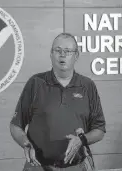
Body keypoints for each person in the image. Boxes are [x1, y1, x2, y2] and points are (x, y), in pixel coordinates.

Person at [10, 33, 106, 171]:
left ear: (76, 56)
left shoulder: (87, 86)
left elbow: (99, 130)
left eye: (67, 51)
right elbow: (15, 125)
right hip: (37, 167)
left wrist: (81, 140)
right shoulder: (36, 83)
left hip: (76, 167)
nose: (62, 55)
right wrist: (26, 144)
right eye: (58, 50)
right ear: (51, 54)